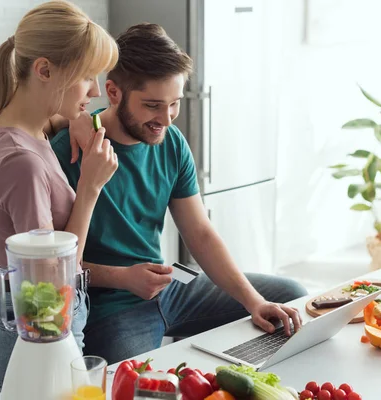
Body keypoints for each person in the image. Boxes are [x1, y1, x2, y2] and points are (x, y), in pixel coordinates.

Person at [49, 23, 308, 364]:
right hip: (112, 307)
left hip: (170, 287)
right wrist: (123, 278)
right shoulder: (69, 152)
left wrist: (253, 301)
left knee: (291, 297)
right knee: (134, 382)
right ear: (113, 92)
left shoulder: (170, 143)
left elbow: (199, 232)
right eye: (153, 105)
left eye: (174, 104)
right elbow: (53, 268)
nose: (167, 119)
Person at [0, 0, 118, 389]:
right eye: (88, 77)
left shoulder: (13, 131)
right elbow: (51, 283)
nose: (96, 91)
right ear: (45, 70)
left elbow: (48, 118)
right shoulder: (21, 161)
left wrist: (78, 118)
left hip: (28, 327)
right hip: (39, 332)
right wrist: (90, 187)